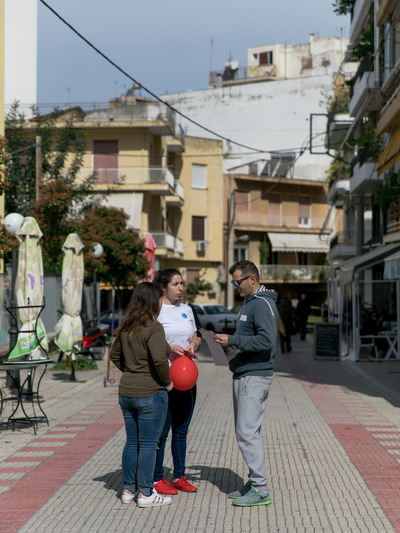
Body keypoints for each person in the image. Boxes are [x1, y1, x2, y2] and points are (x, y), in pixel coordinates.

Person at [214, 260, 278, 507]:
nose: (235, 286)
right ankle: (254, 481)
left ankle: (260, 490)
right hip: (245, 373)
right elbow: (249, 341)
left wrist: (233, 340)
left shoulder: (261, 304)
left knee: (246, 433)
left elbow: (267, 342)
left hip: (255, 377)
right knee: (249, 431)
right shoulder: (249, 302)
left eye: (237, 281)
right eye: (233, 282)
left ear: (252, 279)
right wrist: (232, 354)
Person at [109, 282, 173, 508]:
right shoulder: (154, 327)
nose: (161, 302)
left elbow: (114, 355)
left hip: (127, 391)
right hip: (150, 392)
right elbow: (159, 360)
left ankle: (128, 489)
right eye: (159, 298)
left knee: (132, 441)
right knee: (148, 444)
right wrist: (167, 382)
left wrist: (130, 371)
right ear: (152, 301)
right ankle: (145, 493)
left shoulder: (127, 326)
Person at [153, 269, 201, 495]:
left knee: (181, 430)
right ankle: (157, 478)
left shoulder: (187, 309)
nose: (181, 288)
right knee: (162, 431)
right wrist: (168, 348)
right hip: (164, 380)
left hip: (187, 378)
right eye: (175, 284)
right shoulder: (155, 310)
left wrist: (194, 344)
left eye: (181, 283)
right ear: (163, 287)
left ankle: (179, 476)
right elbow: (148, 341)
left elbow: (196, 335)